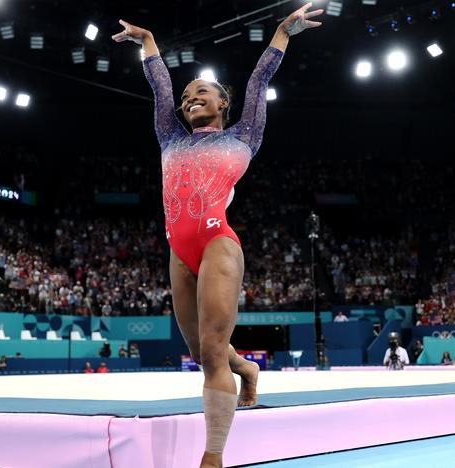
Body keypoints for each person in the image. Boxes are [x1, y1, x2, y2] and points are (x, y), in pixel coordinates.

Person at [113, 5, 323, 467]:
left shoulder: (245, 134)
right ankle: (246, 366)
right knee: (198, 347)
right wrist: (147, 42)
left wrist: (283, 32)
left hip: (216, 243)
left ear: (222, 104)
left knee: (210, 352)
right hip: (178, 249)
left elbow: (259, 82)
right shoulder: (170, 137)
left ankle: (213, 455)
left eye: (201, 92)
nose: (190, 98)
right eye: (187, 95)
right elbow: (159, 89)